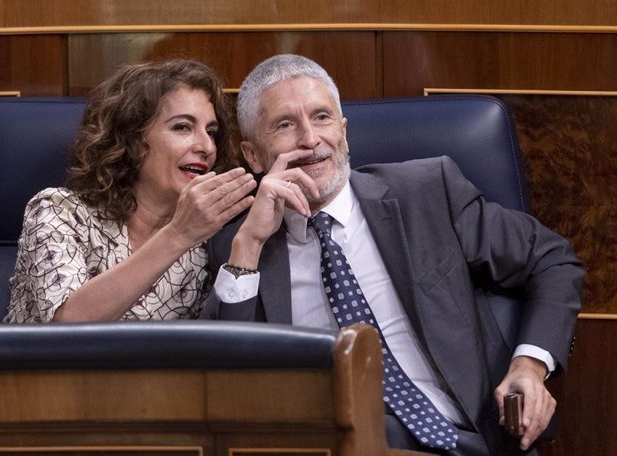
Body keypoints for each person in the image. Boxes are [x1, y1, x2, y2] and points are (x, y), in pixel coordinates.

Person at [201, 54, 584, 456]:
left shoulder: (427, 192)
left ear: (344, 132)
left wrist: (530, 366)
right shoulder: (239, 248)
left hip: (473, 439)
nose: (310, 139)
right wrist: (249, 244)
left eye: (322, 118)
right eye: (285, 125)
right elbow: (223, 373)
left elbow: (552, 260)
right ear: (254, 155)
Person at [5, 59, 256, 323]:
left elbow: (227, 345)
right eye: (182, 127)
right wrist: (178, 234)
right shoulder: (58, 211)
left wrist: (250, 241)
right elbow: (69, 326)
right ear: (133, 141)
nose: (207, 146)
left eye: (212, 131)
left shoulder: (208, 242)